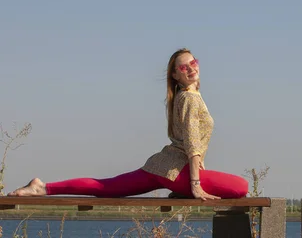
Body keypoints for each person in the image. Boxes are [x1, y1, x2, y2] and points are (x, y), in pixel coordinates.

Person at [9, 48, 248, 200]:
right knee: (240, 186)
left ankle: (42, 188)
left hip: (164, 168)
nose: (192, 68)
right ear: (175, 75)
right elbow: (193, 145)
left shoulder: (189, 96)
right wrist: (194, 186)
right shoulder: (188, 98)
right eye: (184, 67)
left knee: (106, 188)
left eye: (193, 62)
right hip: (175, 171)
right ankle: (42, 188)